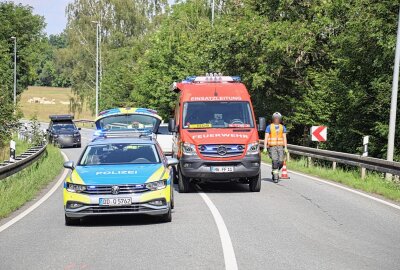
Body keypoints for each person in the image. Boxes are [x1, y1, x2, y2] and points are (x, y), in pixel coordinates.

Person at [264, 112, 288, 183]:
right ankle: (275, 176)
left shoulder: (282, 127)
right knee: (275, 161)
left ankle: (275, 171)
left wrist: (286, 147)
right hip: (272, 147)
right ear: (273, 119)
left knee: (280, 162)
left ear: (280, 119)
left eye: (278, 118)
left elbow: (284, 138)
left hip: (280, 147)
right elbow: (266, 137)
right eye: (275, 118)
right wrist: (265, 147)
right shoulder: (269, 127)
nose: (277, 119)